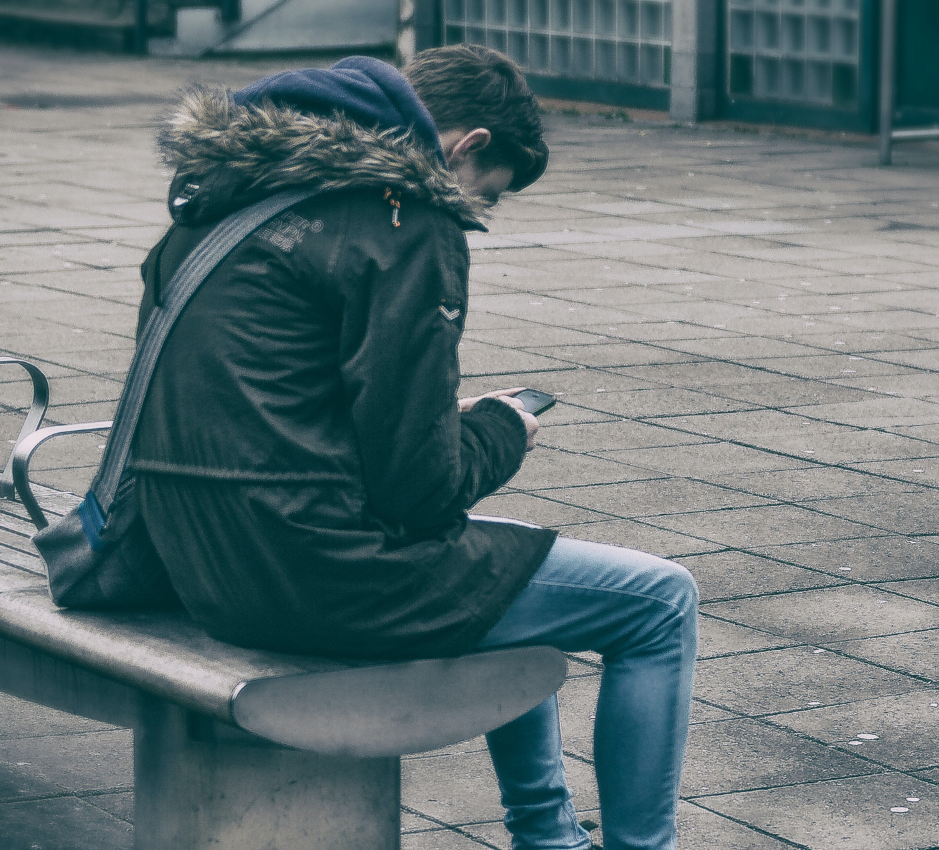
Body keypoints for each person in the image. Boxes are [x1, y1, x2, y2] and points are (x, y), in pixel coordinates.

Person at [129, 45, 696, 850]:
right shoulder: (401, 218)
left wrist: (433, 414)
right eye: (486, 192)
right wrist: (501, 426)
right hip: (315, 574)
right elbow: (420, 490)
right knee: (660, 601)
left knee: (515, 566)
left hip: (200, 561)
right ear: (463, 147)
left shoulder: (224, 204)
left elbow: (259, 397)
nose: (475, 208)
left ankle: (552, 840)